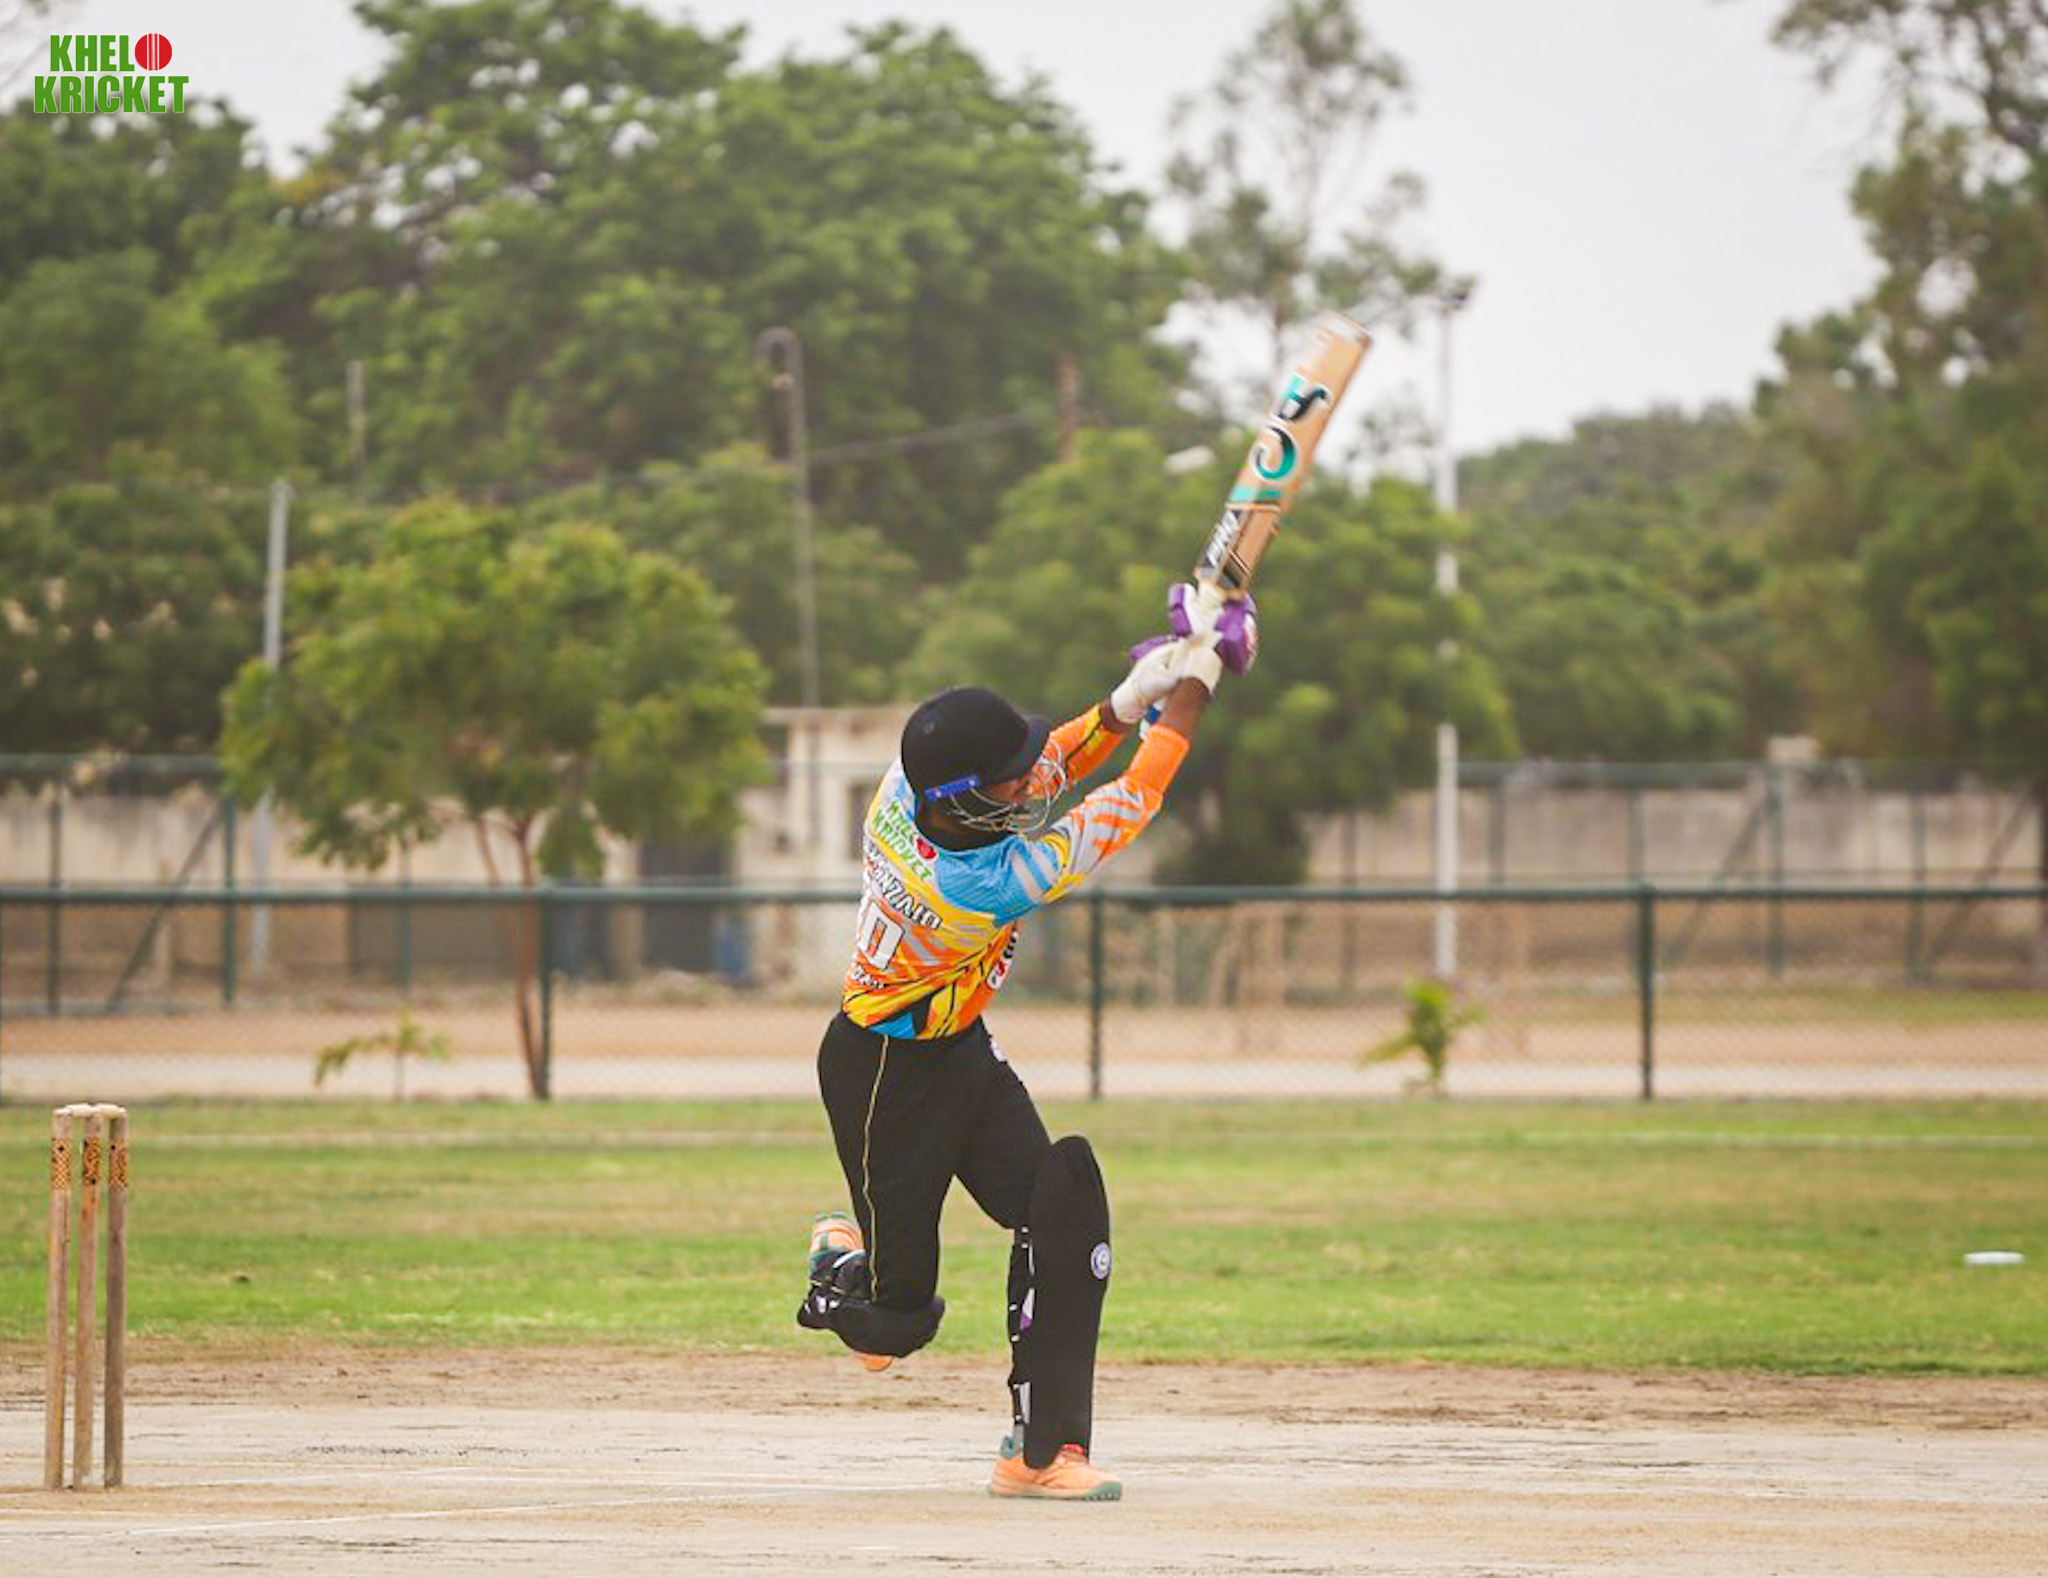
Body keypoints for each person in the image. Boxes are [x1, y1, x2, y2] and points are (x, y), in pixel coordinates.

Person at [796, 586, 1253, 1501]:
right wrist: (1193, 689)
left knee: (1063, 1201)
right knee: (897, 1322)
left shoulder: (909, 789)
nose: (1026, 781)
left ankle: (1042, 1453)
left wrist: (1134, 694)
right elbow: (1127, 803)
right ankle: (838, 1272)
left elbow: (1049, 764)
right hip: (881, 1070)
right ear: (965, 802)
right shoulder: (977, 886)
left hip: (958, 1049)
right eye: (1005, 782)